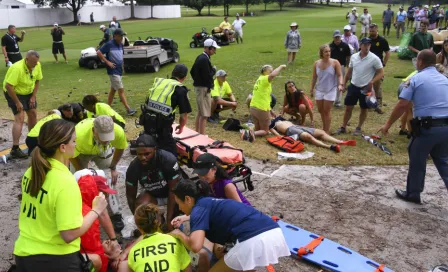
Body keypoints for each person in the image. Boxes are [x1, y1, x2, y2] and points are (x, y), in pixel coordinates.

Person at [13, 119, 108, 271]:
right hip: (55, 259)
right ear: (63, 147)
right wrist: (96, 210)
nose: (76, 144)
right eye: (74, 141)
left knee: (95, 261)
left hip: (24, 255)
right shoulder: (65, 182)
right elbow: (69, 235)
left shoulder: (31, 172)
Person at [170, 179, 290, 272]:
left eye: (179, 204)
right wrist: (186, 217)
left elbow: (195, 246)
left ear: (188, 199)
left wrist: (179, 235)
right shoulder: (209, 202)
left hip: (251, 240)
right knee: (242, 264)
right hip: (273, 231)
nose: (179, 208)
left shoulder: (198, 209)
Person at [378, 49, 448, 204]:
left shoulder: (416, 79)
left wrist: (388, 124)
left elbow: (403, 104)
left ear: (421, 61)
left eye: (417, 60)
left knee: (417, 157)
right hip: (446, 127)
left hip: (428, 128)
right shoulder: (445, 79)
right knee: (443, 160)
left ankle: (413, 193)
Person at [125, 134, 181, 231]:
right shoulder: (134, 167)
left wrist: (169, 220)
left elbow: (173, 190)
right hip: (154, 194)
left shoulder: (168, 159)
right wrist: (139, 220)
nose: (143, 157)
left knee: (180, 204)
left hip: (172, 193)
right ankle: (158, 221)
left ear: (155, 150)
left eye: (147, 154)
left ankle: (173, 222)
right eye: (139, 154)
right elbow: (130, 196)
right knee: (140, 205)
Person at [333, 38, 384, 136]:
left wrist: (372, 81)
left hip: (365, 88)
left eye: (368, 45)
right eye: (365, 45)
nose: (367, 47)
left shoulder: (374, 58)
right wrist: (343, 84)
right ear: (360, 45)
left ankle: (359, 127)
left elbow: (381, 73)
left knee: (363, 109)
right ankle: (343, 127)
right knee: (348, 108)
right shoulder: (354, 57)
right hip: (353, 86)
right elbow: (349, 72)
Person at [74, 171, 120, 272]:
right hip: (64, 258)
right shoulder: (87, 215)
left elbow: (103, 213)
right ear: (94, 191)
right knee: (96, 261)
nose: (106, 197)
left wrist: (113, 240)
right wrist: (110, 255)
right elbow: (93, 251)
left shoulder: (78, 202)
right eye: (103, 193)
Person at [143, 64, 192, 155]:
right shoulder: (180, 89)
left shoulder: (159, 82)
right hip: (162, 128)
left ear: (172, 73)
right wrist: (181, 127)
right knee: (171, 153)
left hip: (147, 121)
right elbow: (184, 115)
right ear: (185, 77)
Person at [128, 204, 191, 272]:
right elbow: (188, 269)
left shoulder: (133, 252)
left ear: (139, 228)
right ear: (159, 222)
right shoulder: (174, 241)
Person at [3, 50, 42, 159]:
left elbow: (37, 80)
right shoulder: (17, 68)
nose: (35, 65)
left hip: (28, 92)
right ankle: (15, 149)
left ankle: (33, 141)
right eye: (33, 62)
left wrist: (33, 96)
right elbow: (8, 86)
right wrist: (17, 102)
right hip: (14, 92)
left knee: (33, 113)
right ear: (27, 59)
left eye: (36, 62)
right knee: (20, 117)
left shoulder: (37, 65)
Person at [70, 116, 128, 185]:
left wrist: (113, 167)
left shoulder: (118, 132)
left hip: (102, 149)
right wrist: (83, 173)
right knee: (78, 177)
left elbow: (120, 148)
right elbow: (71, 156)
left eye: (109, 137)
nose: (106, 140)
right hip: (81, 152)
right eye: (103, 137)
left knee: (107, 169)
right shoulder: (78, 136)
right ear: (93, 130)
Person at [97, 28, 136, 116]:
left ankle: (107, 108)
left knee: (113, 90)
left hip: (119, 70)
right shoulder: (109, 44)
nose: (122, 37)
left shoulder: (120, 44)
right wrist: (107, 62)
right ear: (115, 36)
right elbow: (99, 52)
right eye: (121, 36)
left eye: (123, 36)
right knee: (121, 90)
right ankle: (128, 109)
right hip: (113, 70)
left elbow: (120, 56)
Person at [270, 117, 356, 152]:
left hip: (296, 126)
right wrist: (280, 136)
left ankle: (340, 142)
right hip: (290, 130)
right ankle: (330, 147)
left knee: (321, 132)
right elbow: (270, 129)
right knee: (308, 137)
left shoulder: (279, 117)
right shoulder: (270, 122)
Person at [247, 64, 286, 141]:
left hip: (253, 107)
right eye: (270, 70)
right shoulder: (265, 79)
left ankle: (253, 132)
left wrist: (270, 111)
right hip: (261, 108)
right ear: (264, 71)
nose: (272, 72)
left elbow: (263, 97)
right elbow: (272, 76)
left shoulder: (259, 79)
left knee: (258, 129)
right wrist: (280, 67)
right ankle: (251, 133)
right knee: (265, 131)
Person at [310, 44, 343, 133]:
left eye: (329, 51)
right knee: (321, 110)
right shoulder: (316, 63)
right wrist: (311, 88)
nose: (328, 53)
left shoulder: (335, 62)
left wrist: (340, 84)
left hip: (330, 89)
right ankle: (324, 127)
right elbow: (314, 77)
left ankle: (326, 131)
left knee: (326, 110)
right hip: (320, 89)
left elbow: (340, 75)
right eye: (326, 52)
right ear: (321, 53)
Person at [190, 39, 218, 135]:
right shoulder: (204, 59)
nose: (215, 51)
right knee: (204, 114)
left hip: (200, 87)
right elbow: (207, 76)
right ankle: (201, 136)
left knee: (200, 112)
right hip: (203, 89)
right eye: (214, 49)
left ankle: (197, 133)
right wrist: (213, 70)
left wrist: (197, 80)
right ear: (208, 48)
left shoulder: (201, 57)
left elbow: (192, 71)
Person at [368, 23, 391, 114]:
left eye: (373, 31)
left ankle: (378, 105)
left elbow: (388, 52)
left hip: (378, 67)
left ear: (377, 30)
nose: (371, 32)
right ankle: (369, 103)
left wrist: (384, 64)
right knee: (368, 85)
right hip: (368, 67)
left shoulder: (382, 40)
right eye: (370, 31)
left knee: (377, 86)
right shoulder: (367, 40)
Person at [330, 30, 352, 108]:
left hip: (341, 66)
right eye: (336, 37)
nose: (337, 39)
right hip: (331, 66)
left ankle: (338, 101)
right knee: (331, 82)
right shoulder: (330, 46)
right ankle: (331, 99)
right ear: (333, 38)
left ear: (340, 37)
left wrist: (348, 65)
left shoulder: (345, 46)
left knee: (340, 82)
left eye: (338, 37)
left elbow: (348, 56)